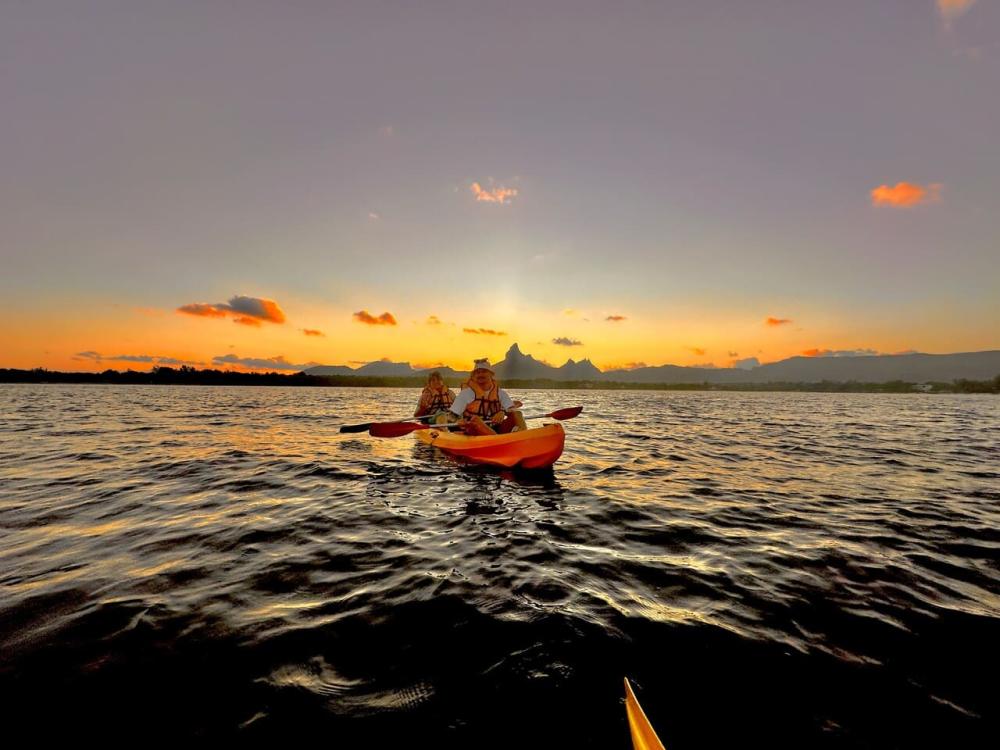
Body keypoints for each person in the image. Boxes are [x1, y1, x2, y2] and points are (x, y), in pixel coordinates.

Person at [448, 358, 527, 436]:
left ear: (491, 374)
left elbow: (511, 409)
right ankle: (498, 441)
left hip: (495, 428)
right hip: (474, 430)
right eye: (477, 373)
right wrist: (458, 421)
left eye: (484, 371)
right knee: (475, 419)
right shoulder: (466, 394)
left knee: (517, 414)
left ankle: (523, 437)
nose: (480, 375)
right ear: (473, 376)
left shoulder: (500, 393)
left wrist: (502, 412)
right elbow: (451, 417)